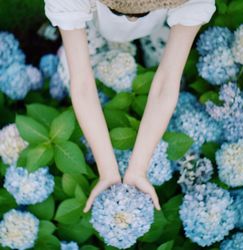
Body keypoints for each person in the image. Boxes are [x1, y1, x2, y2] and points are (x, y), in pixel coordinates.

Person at [43, 0, 216, 213]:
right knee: (72, 65)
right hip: (95, 19)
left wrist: (138, 169)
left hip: (159, 20)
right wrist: (107, 170)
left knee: (161, 52)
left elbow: (166, 83)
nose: (132, 17)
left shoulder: (191, 3)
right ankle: (70, 29)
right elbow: (83, 85)